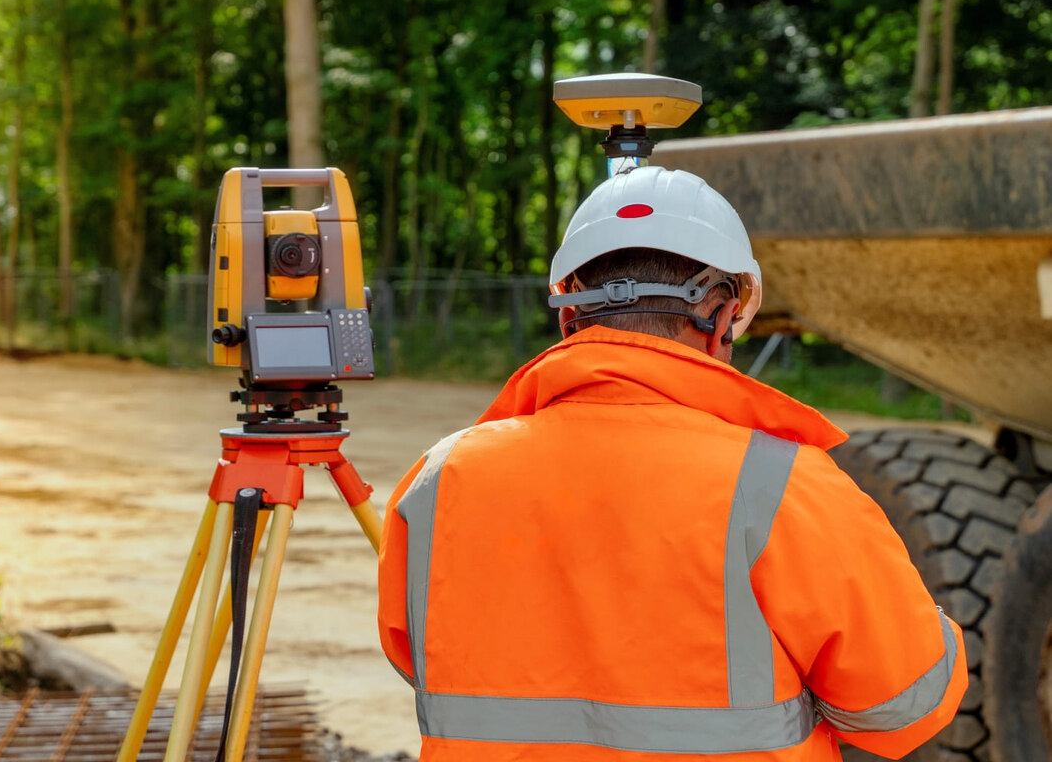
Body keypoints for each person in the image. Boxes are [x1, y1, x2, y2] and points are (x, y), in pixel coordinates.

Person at [376, 165, 966, 760]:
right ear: (718, 317)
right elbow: (901, 707)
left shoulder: (440, 478)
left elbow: (418, 657)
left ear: (568, 318)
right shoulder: (782, 486)